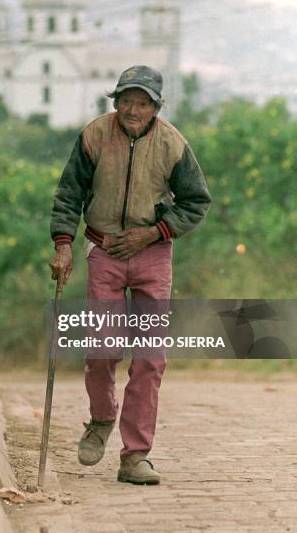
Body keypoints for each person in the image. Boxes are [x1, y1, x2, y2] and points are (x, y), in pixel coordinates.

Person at [49, 65, 212, 484]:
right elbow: (69, 192)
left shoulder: (173, 144)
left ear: (155, 107)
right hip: (103, 250)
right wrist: (63, 244)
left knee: (150, 358)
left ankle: (135, 455)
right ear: (116, 102)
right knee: (102, 348)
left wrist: (153, 233)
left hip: (153, 256)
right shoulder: (94, 135)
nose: (132, 109)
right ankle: (101, 419)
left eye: (142, 103)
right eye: (126, 101)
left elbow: (196, 201)